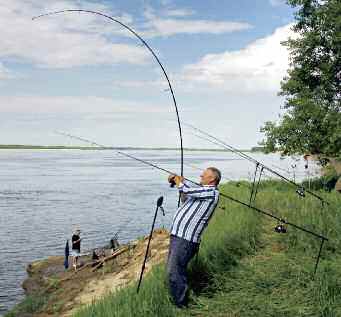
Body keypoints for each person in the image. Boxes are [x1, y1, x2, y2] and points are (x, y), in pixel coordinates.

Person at [167, 167, 221, 307]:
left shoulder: (211, 192)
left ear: (212, 179)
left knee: (174, 271)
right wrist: (179, 184)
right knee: (175, 270)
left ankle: (181, 305)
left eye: (205, 174)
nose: (201, 175)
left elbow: (186, 190)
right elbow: (185, 196)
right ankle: (181, 300)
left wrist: (179, 181)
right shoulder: (202, 191)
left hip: (186, 239)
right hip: (178, 236)